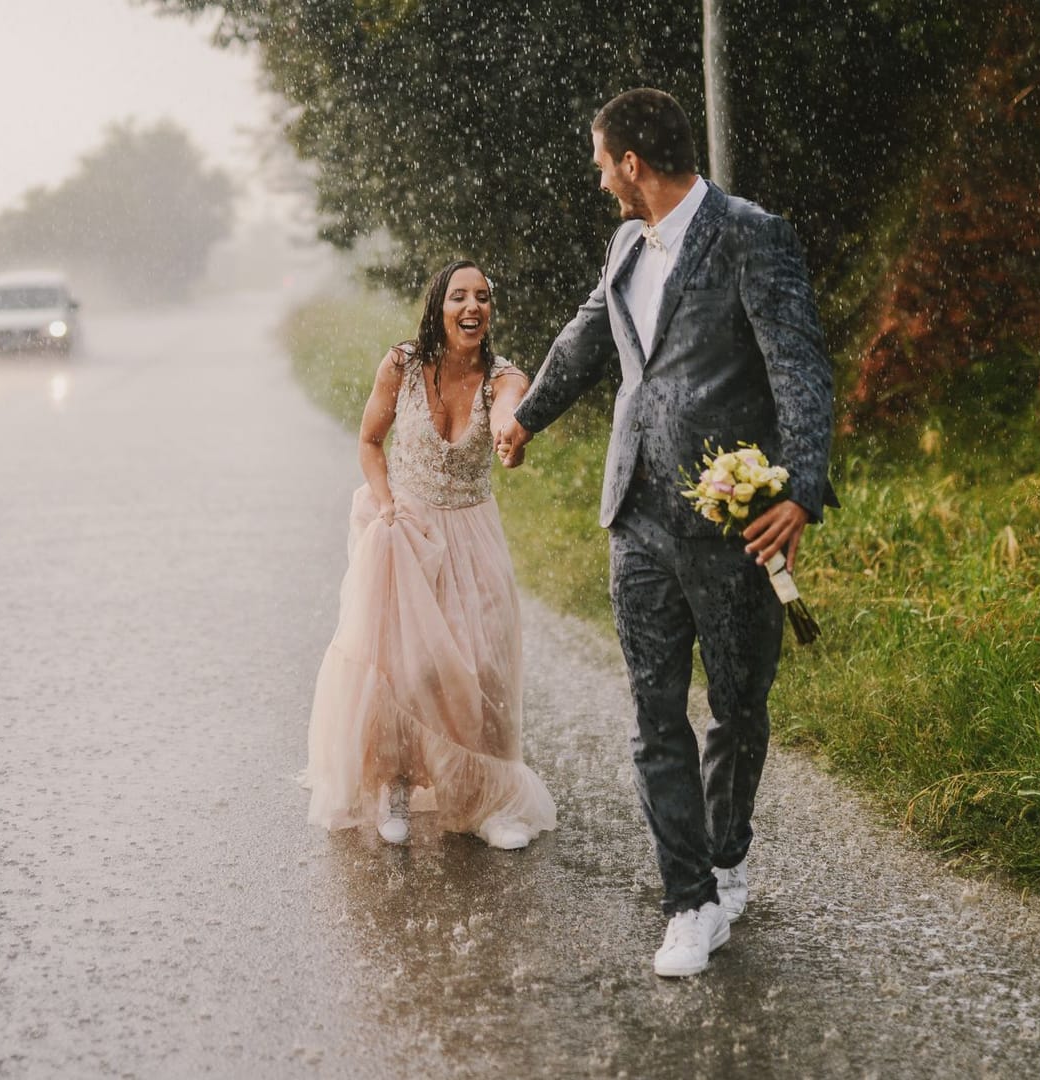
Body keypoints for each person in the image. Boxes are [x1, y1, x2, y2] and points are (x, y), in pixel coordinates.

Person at [494, 88, 836, 976]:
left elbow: (799, 364)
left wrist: (801, 488)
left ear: (633, 164)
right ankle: (686, 900)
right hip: (634, 516)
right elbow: (587, 334)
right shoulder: (624, 243)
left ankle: (726, 858)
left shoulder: (752, 235)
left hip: (730, 523)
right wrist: (528, 415)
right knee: (654, 717)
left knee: (736, 707)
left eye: (604, 162)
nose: (600, 177)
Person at [304, 260, 558, 850]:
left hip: (474, 531)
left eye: (483, 298)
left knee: (486, 664)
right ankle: (393, 784)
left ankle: (489, 800)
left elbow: (509, 414)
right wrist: (386, 502)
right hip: (406, 527)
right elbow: (370, 441)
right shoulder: (402, 365)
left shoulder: (505, 377)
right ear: (438, 307)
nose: (473, 307)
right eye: (460, 297)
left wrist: (508, 438)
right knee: (404, 666)